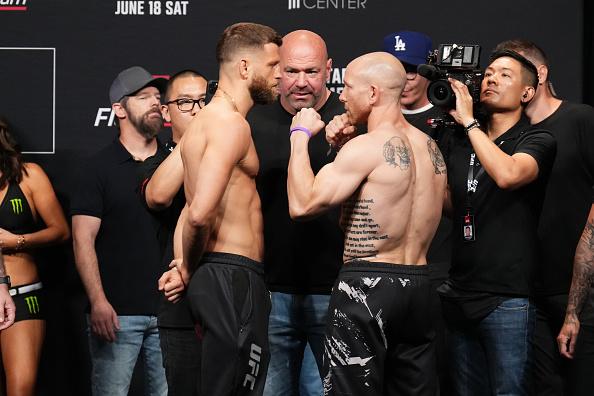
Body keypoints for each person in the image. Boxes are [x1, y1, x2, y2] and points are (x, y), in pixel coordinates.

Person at [287, 51, 445, 395]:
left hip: (367, 286)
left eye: (348, 87)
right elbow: (370, 219)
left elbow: (301, 205)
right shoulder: (430, 147)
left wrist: (300, 136)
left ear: (373, 94)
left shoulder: (367, 146)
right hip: (420, 285)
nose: (341, 96)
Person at [437, 49, 556, 395]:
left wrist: (470, 123)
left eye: (504, 74)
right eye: (488, 73)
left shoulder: (538, 139)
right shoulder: (458, 140)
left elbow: (508, 175)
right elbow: (452, 203)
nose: (491, 79)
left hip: (508, 298)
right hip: (459, 291)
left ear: (527, 93)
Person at [175, 22, 282, 396]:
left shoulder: (202, 124)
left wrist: (186, 264)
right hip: (231, 276)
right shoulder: (230, 126)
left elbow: (187, 207)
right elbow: (199, 213)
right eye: (273, 66)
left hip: (222, 275)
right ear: (245, 68)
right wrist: (188, 267)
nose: (280, 74)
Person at [494, 39, 594, 396]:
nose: (499, 81)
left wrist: (575, 306)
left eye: (510, 73)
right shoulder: (507, 137)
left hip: (582, 291)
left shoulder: (581, 119)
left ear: (538, 76)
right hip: (527, 294)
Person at [247, 29, 344, 396]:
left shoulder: (351, 121)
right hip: (270, 292)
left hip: (335, 291)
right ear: (276, 71)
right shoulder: (252, 121)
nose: (301, 83)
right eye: (291, 71)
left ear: (329, 70)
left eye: (312, 72)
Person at [71, 66, 168, 396]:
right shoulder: (96, 169)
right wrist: (98, 300)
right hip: (116, 315)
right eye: (143, 97)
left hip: (171, 314)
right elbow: (83, 239)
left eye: (157, 97)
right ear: (118, 108)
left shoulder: (176, 163)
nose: (155, 103)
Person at [383, 30, 453, 394]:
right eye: (397, 68)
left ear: (431, 71)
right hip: (377, 269)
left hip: (434, 267)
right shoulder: (369, 120)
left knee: (426, 378)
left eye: (413, 69)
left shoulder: (451, 120)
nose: (405, 77)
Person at [143, 70, 208, 396]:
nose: (197, 109)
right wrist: (197, 140)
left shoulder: (224, 155)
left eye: (202, 101)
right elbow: (158, 196)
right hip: (178, 304)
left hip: (225, 299)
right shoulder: (156, 162)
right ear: (166, 112)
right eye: (185, 102)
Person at [0, 117, 68, 396]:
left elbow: (61, 231)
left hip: (23, 295)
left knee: (21, 388)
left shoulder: (28, 175)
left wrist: (18, 241)